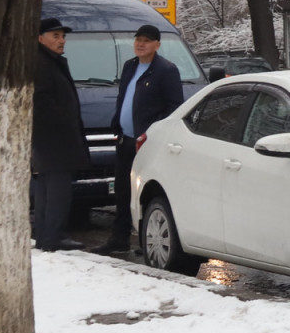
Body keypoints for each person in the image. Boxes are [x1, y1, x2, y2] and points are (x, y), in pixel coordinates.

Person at [102, 23, 184, 253]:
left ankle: (146, 241)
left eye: (146, 40)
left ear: (157, 45)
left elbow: (174, 107)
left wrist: (151, 129)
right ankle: (118, 239)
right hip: (125, 138)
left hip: (147, 143)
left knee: (145, 191)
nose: (140, 44)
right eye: (138, 39)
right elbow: (125, 96)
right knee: (122, 190)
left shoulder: (166, 70)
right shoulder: (130, 66)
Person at [32, 18, 90, 251]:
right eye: (55, 36)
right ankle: (52, 235)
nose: (61, 40)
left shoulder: (49, 61)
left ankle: (47, 235)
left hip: (51, 139)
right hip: (54, 139)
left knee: (48, 187)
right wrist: (64, 122)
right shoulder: (41, 63)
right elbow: (41, 100)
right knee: (57, 190)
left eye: (62, 36)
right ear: (40, 38)